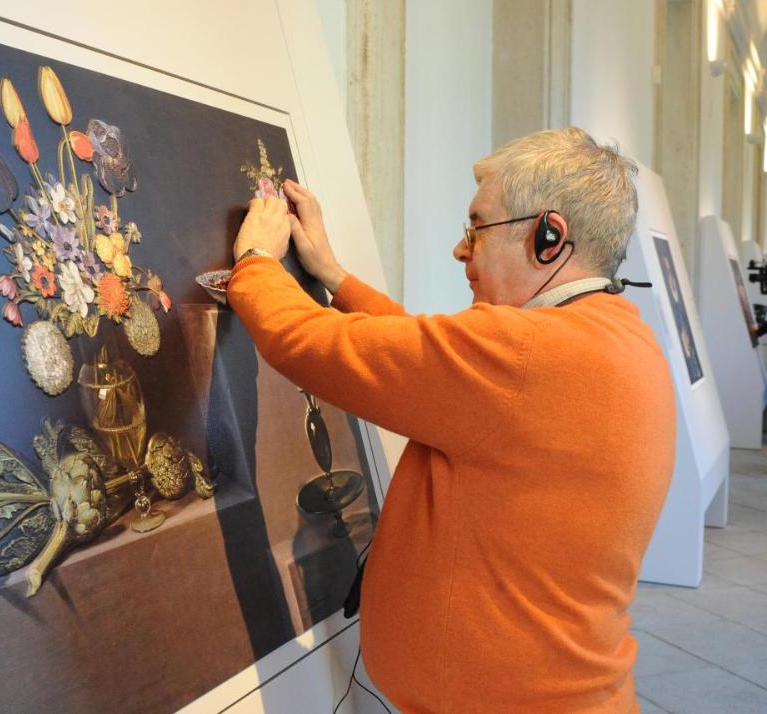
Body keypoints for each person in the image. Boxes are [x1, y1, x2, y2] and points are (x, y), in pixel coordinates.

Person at [227, 127, 675, 713]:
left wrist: (256, 261)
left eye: (477, 228)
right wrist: (335, 277)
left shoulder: (524, 356)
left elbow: (307, 345)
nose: (461, 251)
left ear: (548, 238)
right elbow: (433, 366)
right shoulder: (613, 337)